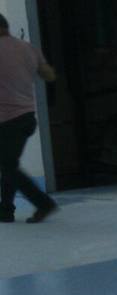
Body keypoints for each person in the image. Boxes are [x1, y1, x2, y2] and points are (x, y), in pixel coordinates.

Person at [0, 13, 57, 223]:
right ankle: (5, 210)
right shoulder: (28, 48)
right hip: (26, 117)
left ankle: (44, 203)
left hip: (7, 120)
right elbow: (49, 75)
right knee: (8, 164)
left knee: (8, 166)